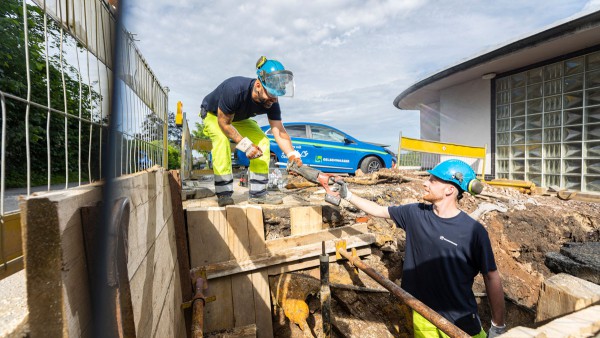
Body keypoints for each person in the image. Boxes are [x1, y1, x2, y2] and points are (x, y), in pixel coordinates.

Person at [335, 159, 506, 337]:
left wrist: (498, 326)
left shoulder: (473, 232)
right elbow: (379, 210)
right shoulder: (415, 214)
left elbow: (491, 276)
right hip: (422, 313)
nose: (425, 183)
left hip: (460, 321)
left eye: (433, 180)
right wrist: (347, 195)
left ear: (450, 189)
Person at [200, 56, 303, 207]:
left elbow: (279, 130)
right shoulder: (234, 89)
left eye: (276, 96)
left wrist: (292, 154)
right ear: (258, 85)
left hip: (238, 118)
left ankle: (258, 194)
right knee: (221, 142)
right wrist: (246, 145)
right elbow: (224, 123)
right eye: (270, 95)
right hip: (215, 115)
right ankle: (224, 194)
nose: (273, 100)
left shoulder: (272, 100)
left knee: (264, 142)